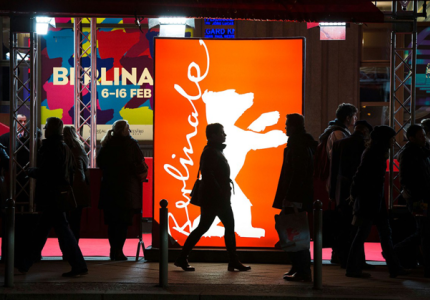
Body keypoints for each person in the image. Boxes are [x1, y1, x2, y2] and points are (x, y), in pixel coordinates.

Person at [174, 123, 250, 272]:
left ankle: (182, 258)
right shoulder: (211, 152)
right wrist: (221, 191)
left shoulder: (213, 150)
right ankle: (233, 261)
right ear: (213, 136)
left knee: (205, 227)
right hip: (216, 198)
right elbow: (208, 174)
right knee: (226, 226)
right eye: (222, 132)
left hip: (214, 197)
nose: (225, 135)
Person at [18, 117, 88, 277]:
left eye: (47, 126)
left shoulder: (51, 147)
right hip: (58, 196)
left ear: (52, 129)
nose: (44, 129)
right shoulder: (64, 147)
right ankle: (26, 263)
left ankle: (26, 263)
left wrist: (32, 172)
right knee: (50, 231)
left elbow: (49, 172)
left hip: (51, 195)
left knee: (48, 232)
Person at [346, 126, 408, 278]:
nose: (393, 142)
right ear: (384, 140)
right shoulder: (374, 154)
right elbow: (359, 176)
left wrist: (354, 194)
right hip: (371, 200)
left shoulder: (373, 152)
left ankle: (393, 267)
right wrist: (354, 194)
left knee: (374, 233)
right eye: (391, 139)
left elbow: (359, 176)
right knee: (375, 233)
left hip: (372, 200)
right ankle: (392, 267)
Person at [273, 114, 317, 282]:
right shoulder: (303, 143)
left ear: (293, 126)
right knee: (293, 231)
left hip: (294, 196)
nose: (285, 128)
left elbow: (296, 173)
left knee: (293, 232)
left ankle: (302, 269)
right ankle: (298, 267)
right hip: (299, 195)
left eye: (287, 125)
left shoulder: (297, 145)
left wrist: (289, 197)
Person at [97, 120, 147, 261]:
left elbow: (100, 163)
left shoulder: (107, 144)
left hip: (109, 190)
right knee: (123, 223)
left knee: (112, 223)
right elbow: (139, 164)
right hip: (127, 190)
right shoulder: (131, 144)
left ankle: (114, 250)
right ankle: (119, 251)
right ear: (126, 130)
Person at [315, 103, 357, 263]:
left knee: (341, 221)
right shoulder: (339, 135)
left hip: (335, 183)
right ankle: (340, 254)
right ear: (348, 118)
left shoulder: (335, 132)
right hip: (340, 184)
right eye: (354, 116)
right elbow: (341, 162)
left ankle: (338, 253)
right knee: (343, 222)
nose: (355, 119)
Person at [329, 120, 373, 268]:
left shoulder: (339, 144)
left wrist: (332, 193)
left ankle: (342, 257)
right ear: (366, 132)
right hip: (359, 192)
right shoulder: (366, 147)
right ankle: (357, 260)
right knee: (357, 228)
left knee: (343, 226)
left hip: (341, 191)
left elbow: (333, 171)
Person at [396, 124, 430, 277]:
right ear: (412, 138)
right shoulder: (409, 153)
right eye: (421, 136)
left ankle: (394, 250)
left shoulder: (421, 151)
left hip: (421, 197)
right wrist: (416, 194)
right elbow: (406, 179)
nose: (425, 138)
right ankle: (394, 251)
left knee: (423, 231)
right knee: (424, 232)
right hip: (418, 199)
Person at [63, 126, 91, 244]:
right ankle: (73, 247)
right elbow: (82, 171)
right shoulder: (80, 149)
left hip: (67, 190)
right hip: (78, 190)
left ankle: (69, 249)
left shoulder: (66, 149)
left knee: (65, 222)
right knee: (75, 221)